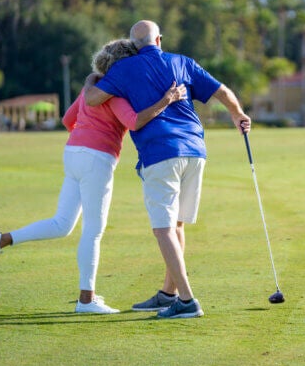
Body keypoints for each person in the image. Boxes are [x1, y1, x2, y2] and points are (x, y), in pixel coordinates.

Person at [0, 39, 187, 314]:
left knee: (62, 223)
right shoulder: (116, 94)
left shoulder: (92, 88)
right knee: (93, 231)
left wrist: (86, 135)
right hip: (97, 158)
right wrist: (167, 99)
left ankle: (2, 239)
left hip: (73, 152)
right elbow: (134, 121)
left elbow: (67, 120)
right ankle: (86, 300)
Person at [83, 20, 251, 319]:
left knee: (163, 228)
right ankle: (168, 294)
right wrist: (238, 114)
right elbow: (221, 90)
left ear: (133, 47)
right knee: (177, 226)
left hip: (161, 152)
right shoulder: (183, 62)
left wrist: (95, 78)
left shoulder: (124, 69)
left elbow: (93, 99)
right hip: (196, 151)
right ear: (159, 40)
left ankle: (187, 301)